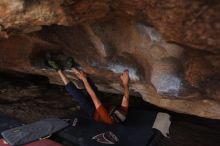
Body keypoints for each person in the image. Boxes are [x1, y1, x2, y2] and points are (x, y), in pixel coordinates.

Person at [47, 58, 130, 125]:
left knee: (77, 95)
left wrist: (84, 79)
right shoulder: (123, 113)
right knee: (92, 86)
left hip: (93, 112)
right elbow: (126, 98)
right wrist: (125, 83)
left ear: (110, 115)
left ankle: (58, 70)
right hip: (103, 104)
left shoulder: (107, 118)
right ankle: (72, 67)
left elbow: (93, 97)